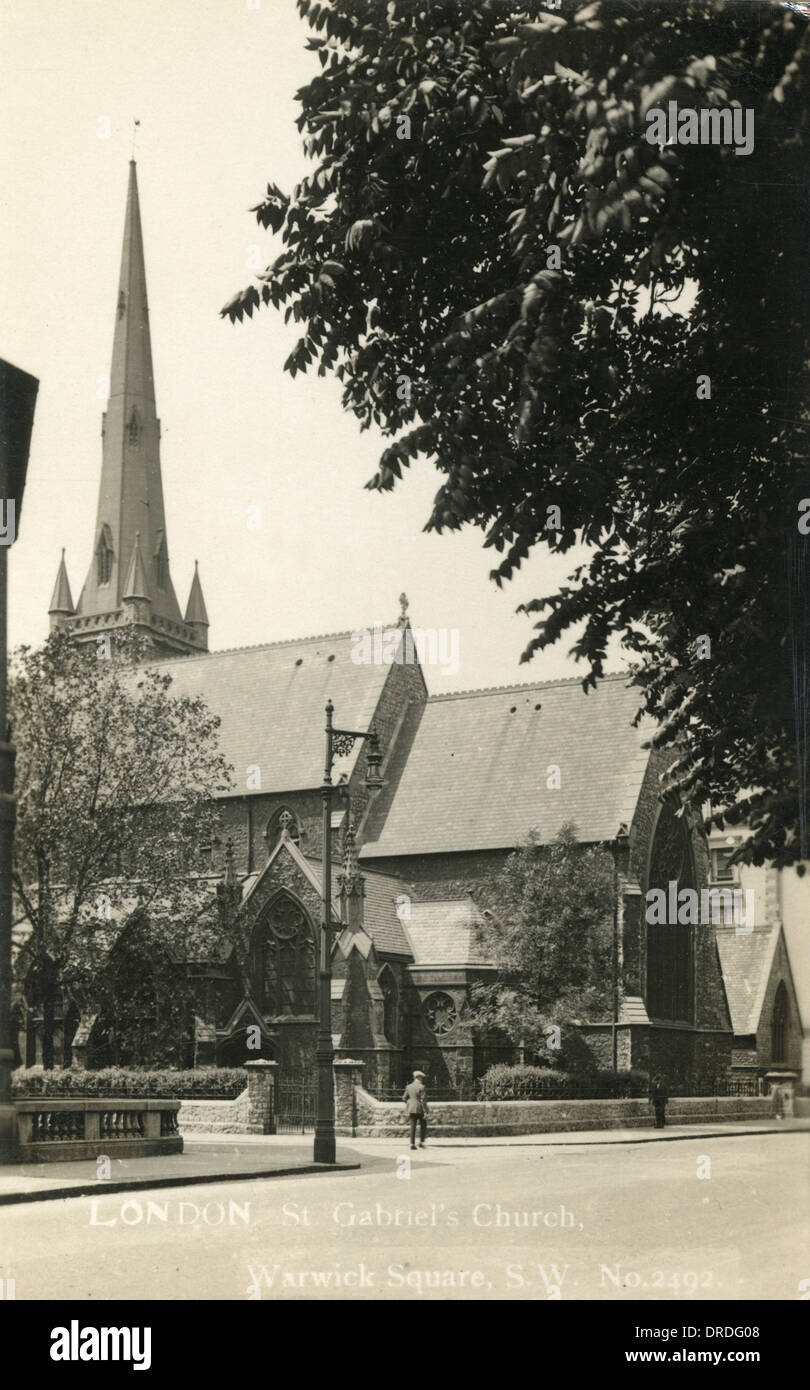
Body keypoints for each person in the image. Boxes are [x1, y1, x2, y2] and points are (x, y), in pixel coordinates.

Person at [403, 1070, 428, 1149]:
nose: (422, 1079)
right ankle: (421, 1142)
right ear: (419, 1078)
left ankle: (412, 1144)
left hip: (411, 1109)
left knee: (413, 1126)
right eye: (421, 1078)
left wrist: (409, 1103)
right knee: (423, 1125)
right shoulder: (422, 1087)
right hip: (420, 1109)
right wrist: (426, 1111)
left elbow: (404, 1098)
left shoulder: (409, 1086)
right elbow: (423, 1100)